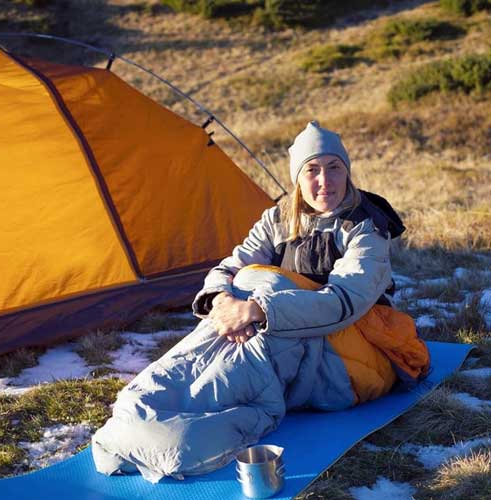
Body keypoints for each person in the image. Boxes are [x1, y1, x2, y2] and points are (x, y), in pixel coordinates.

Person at [91, 121, 429, 482]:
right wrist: (222, 300)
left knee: (260, 283)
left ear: (347, 171)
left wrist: (258, 309)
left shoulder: (364, 228)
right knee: (231, 308)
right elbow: (230, 266)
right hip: (277, 333)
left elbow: (344, 302)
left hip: (353, 358)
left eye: (334, 168)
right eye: (312, 170)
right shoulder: (279, 219)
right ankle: (142, 413)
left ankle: (180, 435)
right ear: (297, 177)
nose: (324, 181)